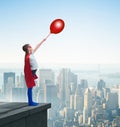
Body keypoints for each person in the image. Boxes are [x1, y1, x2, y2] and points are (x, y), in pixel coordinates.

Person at [22, 38, 46, 106]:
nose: (31, 47)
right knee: (30, 87)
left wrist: (42, 41)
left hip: (33, 72)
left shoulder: (31, 54)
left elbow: (37, 46)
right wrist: (29, 76)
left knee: (31, 87)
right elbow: (26, 68)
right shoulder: (28, 57)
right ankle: (30, 102)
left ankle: (31, 101)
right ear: (27, 48)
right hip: (31, 73)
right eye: (30, 46)